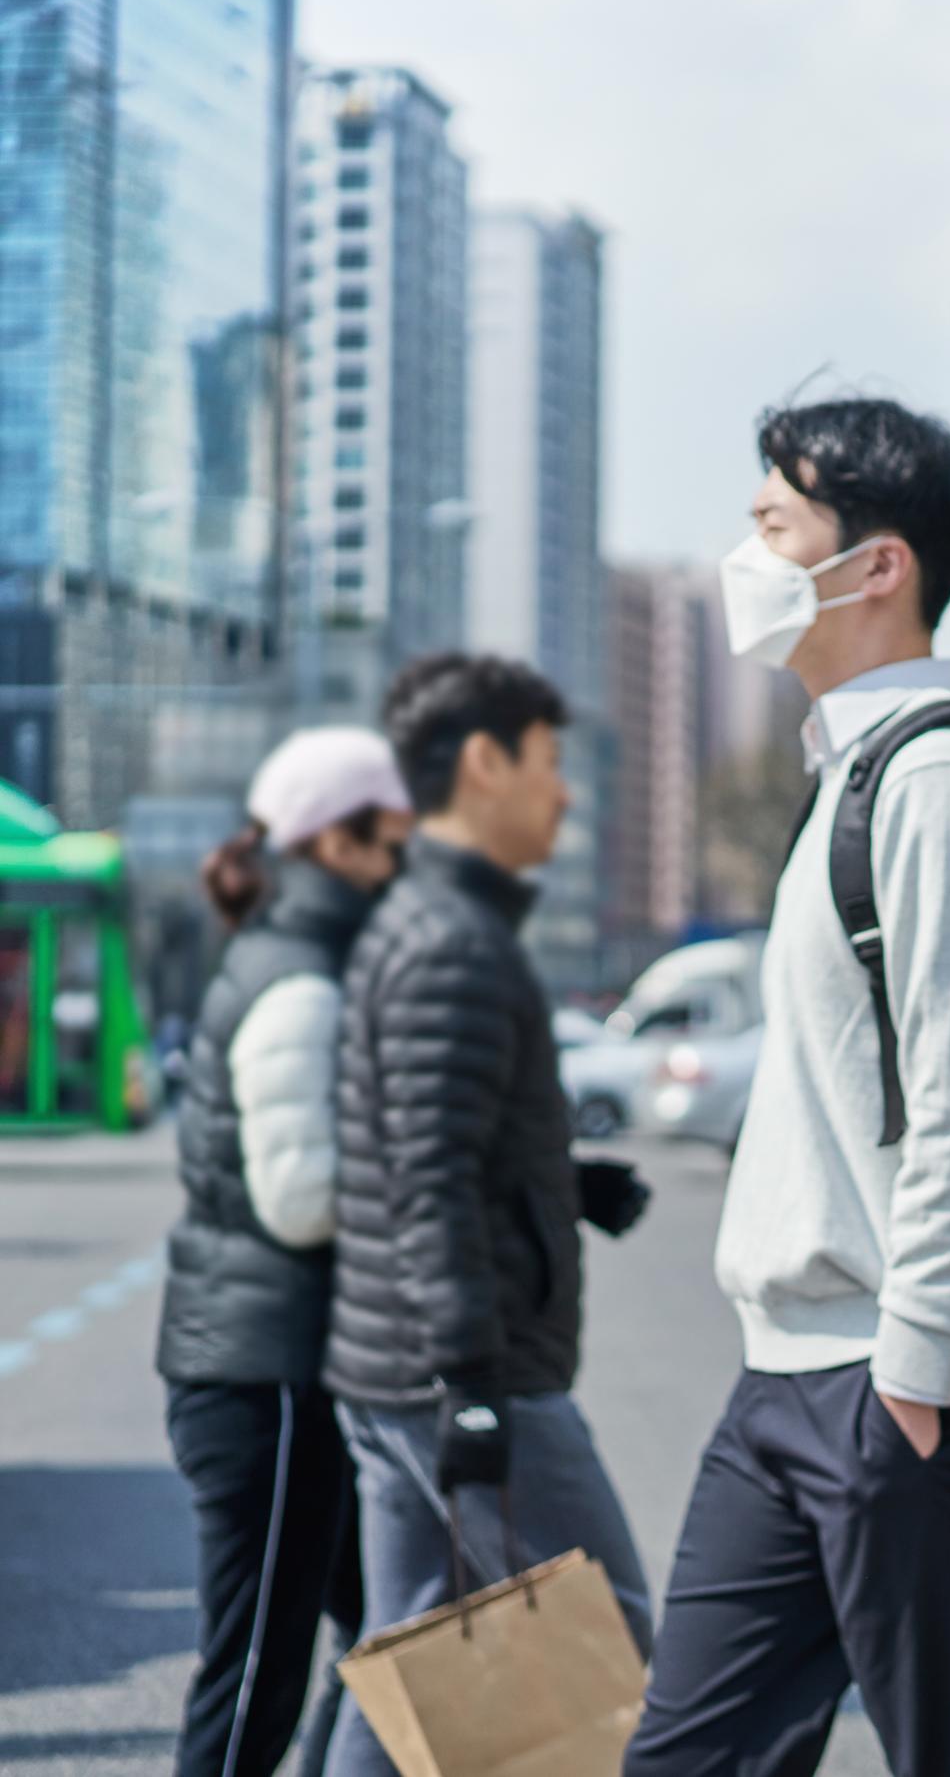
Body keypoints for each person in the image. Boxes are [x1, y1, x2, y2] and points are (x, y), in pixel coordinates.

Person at [624, 401, 950, 1777]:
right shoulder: (853, 777)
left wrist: (914, 1373)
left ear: (878, 567)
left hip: (902, 1387)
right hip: (791, 1381)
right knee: (689, 1759)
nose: (745, 555)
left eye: (773, 527)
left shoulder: (944, 784)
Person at [322, 655, 653, 1777]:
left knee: (415, 1649)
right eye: (549, 763)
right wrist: (469, 1382)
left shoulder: (434, 923)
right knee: (608, 1623)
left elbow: (441, 1138)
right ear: (483, 763)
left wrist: (568, 1182)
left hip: (400, 1368)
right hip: (462, 1373)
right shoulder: (451, 942)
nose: (563, 792)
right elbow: (427, 1175)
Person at [158, 729, 412, 1777]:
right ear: (336, 844)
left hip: (294, 1370)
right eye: (391, 840)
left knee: (391, 1631)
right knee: (259, 1666)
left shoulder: (304, 955)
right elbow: (303, 1198)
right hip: (271, 1382)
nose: (404, 865)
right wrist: (445, 1193)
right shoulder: (300, 980)